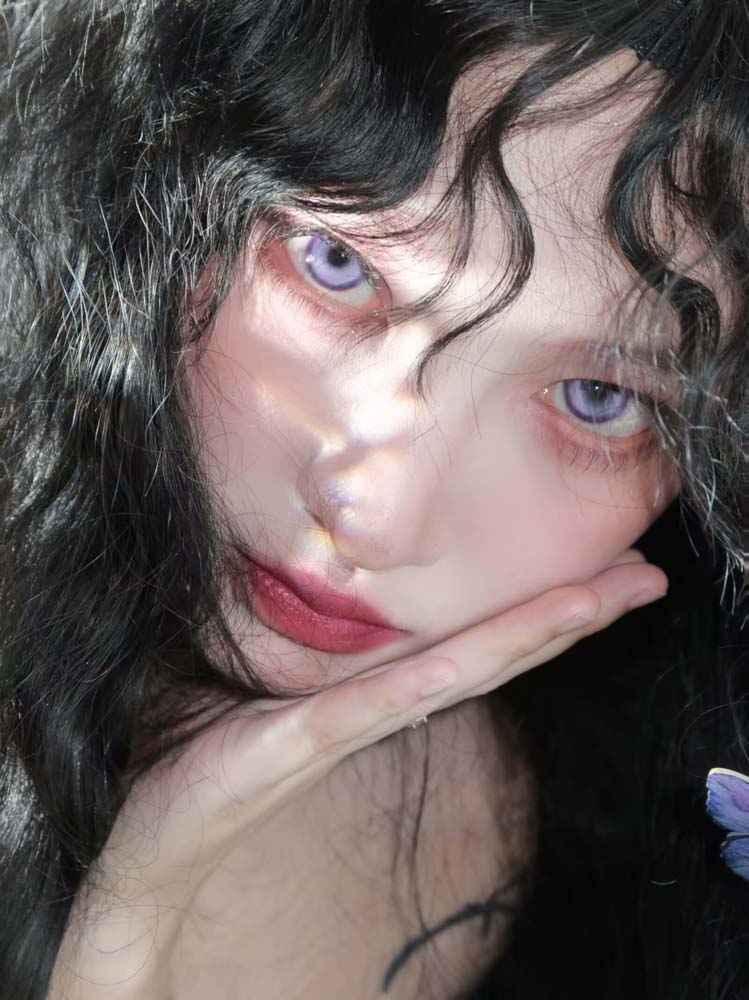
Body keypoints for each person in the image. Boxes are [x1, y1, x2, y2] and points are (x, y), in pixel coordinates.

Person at [0, 1, 745, 998]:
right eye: (336, 263)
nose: (377, 520)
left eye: (598, 398)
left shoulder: (626, 843)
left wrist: (129, 928)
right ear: (145, 169)